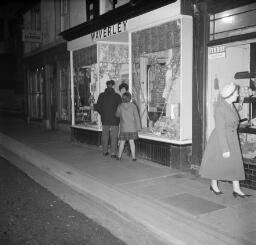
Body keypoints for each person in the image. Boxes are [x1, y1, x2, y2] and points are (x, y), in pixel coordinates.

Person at [199, 82, 251, 198]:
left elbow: (233, 121)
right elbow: (221, 130)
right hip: (220, 140)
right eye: (236, 92)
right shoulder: (220, 108)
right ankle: (214, 185)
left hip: (232, 138)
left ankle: (236, 189)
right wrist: (225, 149)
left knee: (235, 163)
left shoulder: (230, 105)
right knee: (217, 163)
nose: (237, 94)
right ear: (231, 94)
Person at [95, 80, 122, 158]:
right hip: (115, 120)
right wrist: (118, 116)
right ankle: (113, 153)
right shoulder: (117, 96)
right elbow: (120, 108)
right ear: (113, 86)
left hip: (105, 119)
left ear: (107, 86)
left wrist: (103, 115)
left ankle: (105, 151)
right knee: (114, 136)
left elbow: (98, 107)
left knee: (105, 135)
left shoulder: (101, 95)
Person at [115, 92, 141, 161]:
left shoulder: (120, 106)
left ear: (122, 98)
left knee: (122, 142)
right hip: (132, 127)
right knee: (131, 141)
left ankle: (119, 156)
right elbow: (137, 117)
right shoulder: (133, 106)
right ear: (129, 98)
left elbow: (117, 115)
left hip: (124, 128)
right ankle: (134, 157)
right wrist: (138, 127)